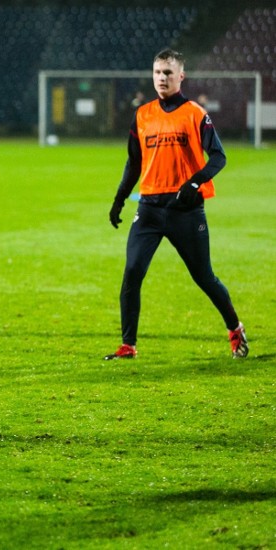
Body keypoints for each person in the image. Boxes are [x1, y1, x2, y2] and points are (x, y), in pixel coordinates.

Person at [105, 49, 248, 360]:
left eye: (168, 73)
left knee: (204, 277)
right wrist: (119, 199)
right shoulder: (142, 115)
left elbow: (219, 157)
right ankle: (128, 345)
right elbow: (133, 162)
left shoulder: (195, 113)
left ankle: (235, 328)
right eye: (157, 72)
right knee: (132, 271)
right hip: (150, 209)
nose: (162, 78)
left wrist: (194, 182)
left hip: (186, 210)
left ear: (181, 76)